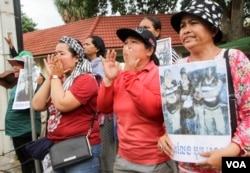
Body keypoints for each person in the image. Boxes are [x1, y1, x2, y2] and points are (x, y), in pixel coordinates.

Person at [158, 0, 250, 172]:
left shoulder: (234, 59)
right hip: (188, 168)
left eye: (194, 23)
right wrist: (166, 136)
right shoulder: (177, 67)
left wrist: (231, 151)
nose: (185, 30)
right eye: (182, 25)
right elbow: (173, 114)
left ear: (213, 29)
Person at [97, 27, 178, 173]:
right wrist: (108, 80)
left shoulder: (160, 74)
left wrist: (130, 75)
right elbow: (104, 108)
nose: (127, 46)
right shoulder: (120, 76)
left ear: (149, 51)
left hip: (154, 161)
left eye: (134, 42)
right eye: (126, 42)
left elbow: (154, 111)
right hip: (123, 159)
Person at [32, 36, 101, 173]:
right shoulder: (58, 79)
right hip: (56, 147)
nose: (57, 57)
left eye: (62, 54)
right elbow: (37, 105)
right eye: (55, 53)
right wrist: (51, 75)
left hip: (81, 148)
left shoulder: (86, 79)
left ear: (76, 58)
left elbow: (62, 104)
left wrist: (56, 77)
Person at [83, 35, 117, 173]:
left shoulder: (102, 65)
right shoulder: (86, 67)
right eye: (83, 44)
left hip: (104, 117)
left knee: (106, 155)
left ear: (96, 48)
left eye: (87, 44)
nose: (84, 46)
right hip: (91, 117)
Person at [5, 50, 42, 173]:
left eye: (18, 64)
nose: (14, 67)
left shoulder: (35, 83)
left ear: (28, 67)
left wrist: (39, 85)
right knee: (24, 164)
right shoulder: (18, 84)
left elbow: (38, 102)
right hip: (16, 131)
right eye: (14, 64)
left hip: (26, 130)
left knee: (32, 164)